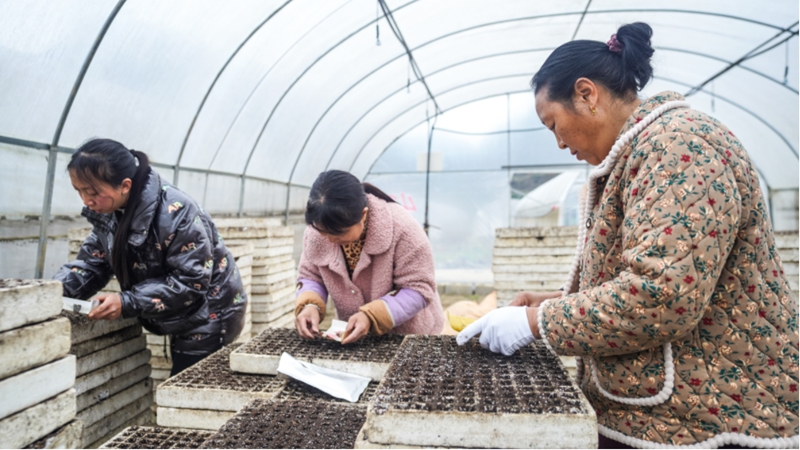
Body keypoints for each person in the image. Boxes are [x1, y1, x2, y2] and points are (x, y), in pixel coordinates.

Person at [458, 22, 798, 448]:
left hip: (709, 419)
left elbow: (663, 294)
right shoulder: (641, 152)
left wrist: (535, 322)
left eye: (554, 124)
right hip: (664, 415)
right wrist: (551, 303)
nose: (559, 142)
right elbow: (645, 272)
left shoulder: (681, 147)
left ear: (586, 94)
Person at [55, 138, 246, 375]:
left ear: (125, 185)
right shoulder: (109, 214)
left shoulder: (177, 212)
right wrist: (52, 293)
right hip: (178, 310)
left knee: (185, 391)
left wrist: (126, 301)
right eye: (79, 191)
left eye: (93, 192)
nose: (85, 200)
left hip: (211, 312)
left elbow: (190, 281)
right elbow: (92, 263)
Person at [294, 170, 444, 344]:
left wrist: (371, 316)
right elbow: (311, 276)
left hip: (409, 336)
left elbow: (419, 288)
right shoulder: (316, 232)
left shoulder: (403, 229)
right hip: (354, 335)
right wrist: (310, 305)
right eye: (322, 232)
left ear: (363, 215)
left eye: (339, 233)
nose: (330, 239)